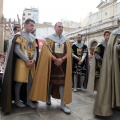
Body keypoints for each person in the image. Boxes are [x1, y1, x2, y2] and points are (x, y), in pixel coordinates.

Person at [29, 22, 72, 114]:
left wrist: (62, 59)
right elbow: (45, 52)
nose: (61, 28)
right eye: (59, 26)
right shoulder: (48, 39)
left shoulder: (66, 40)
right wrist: (55, 59)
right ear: (55, 27)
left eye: (62, 27)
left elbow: (69, 53)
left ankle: (62, 104)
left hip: (62, 66)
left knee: (62, 84)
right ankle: (48, 98)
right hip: (51, 65)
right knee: (50, 83)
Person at [1, 19, 39, 113]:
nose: (32, 27)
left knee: (30, 82)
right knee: (19, 82)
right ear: (25, 25)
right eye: (30, 25)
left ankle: (28, 100)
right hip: (22, 62)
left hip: (31, 63)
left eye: (33, 26)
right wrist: (26, 59)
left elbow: (35, 50)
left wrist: (33, 59)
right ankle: (17, 100)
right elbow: (17, 50)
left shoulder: (33, 38)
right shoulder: (18, 36)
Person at [93, 19, 120, 116]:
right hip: (106, 65)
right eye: (106, 35)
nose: (108, 36)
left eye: (109, 35)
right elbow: (96, 53)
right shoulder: (103, 43)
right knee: (105, 82)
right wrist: (103, 61)